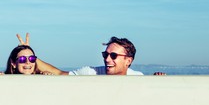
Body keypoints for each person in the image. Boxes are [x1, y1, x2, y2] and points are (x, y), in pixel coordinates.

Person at [16, 33, 165, 76]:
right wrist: (30, 56)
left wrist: (159, 78)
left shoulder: (137, 78)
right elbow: (58, 73)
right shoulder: (91, 72)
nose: (107, 59)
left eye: (113, 56)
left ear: (128, 61)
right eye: (105, 55)